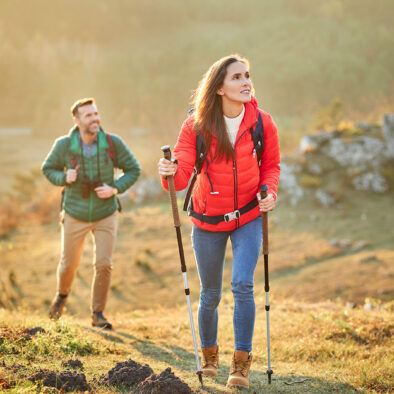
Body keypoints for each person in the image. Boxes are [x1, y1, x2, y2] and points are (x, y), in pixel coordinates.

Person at [158, 55, 280, 388]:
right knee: (210, 293)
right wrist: (168, 173)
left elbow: (271, 165)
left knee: (243, 285)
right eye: (237, 77)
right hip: (207, 220)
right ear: (219, 88)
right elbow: (181, 176)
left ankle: (241, 364)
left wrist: (270, 191)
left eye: (247, 76)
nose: (246, 82)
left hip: (248, 217)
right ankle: (209, 356)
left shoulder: (262, 122)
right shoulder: (195, 126)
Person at [42, 98, 140, 329]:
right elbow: (48, 168)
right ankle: (62, 296)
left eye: (96, 114)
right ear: (76, 121)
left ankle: (98, 314)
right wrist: (63, 178)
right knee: (68, 264)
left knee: (104, 264)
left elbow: (133, 169)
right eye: (89, 115)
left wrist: (115, 188)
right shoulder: (64, 145)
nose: (95, 118)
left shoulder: (112, 143)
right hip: (74, 213)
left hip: (106, 213)